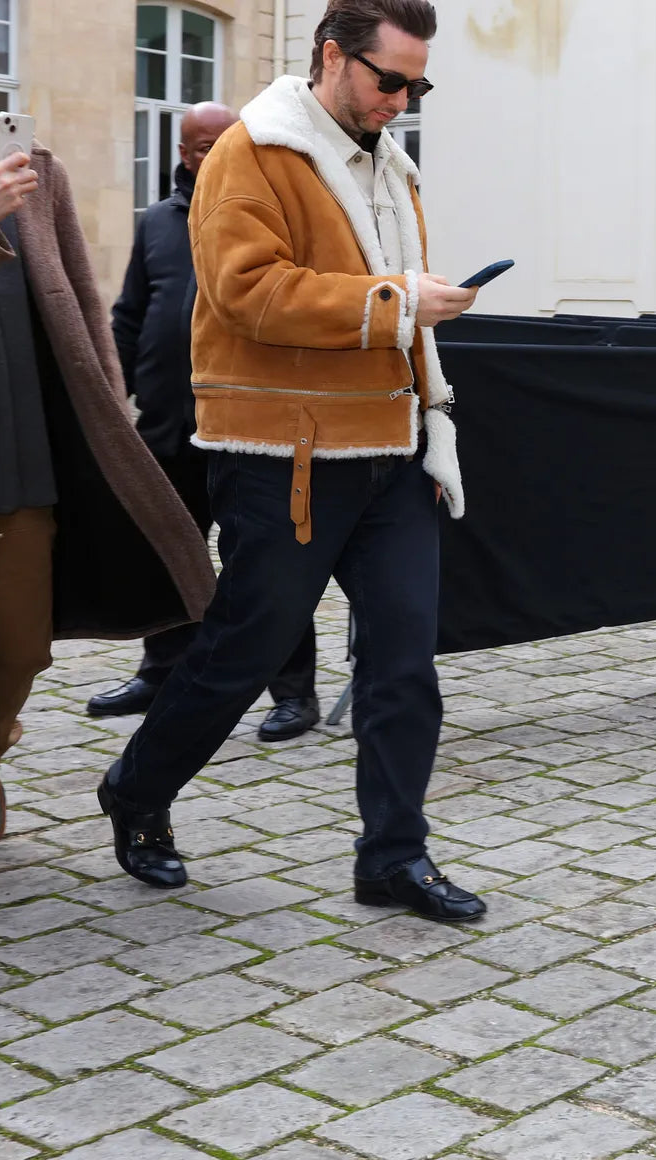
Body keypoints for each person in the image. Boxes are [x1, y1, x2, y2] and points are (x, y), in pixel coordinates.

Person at [97, 0, 489, 926]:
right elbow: (246, 292)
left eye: (417, 84)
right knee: (242, 652)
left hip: (392, 451)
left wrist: (429, 408)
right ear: (331, 56)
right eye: (389, 78)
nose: (402, 99)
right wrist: (398, 303)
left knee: (403, 666)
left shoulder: (391, 165)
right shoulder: (255, 150)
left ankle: (393, 856)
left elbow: (386, 315)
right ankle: (136, 788)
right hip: (289, 458)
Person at [0, 0, 213, 964]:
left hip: (22, 455)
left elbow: (79, 294)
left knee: (14, 650)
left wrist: (108, 409)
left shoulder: (24, 159)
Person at [87, 102, 322, 743]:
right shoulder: (159, 223)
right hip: (167, 427)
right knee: (165, 555)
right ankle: (162, 671)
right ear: (182, 150)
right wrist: (113, 402)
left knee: (267, 564)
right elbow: (130, 317)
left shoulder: (270, 216)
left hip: (248, 428)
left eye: (215, 144)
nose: (203, 155)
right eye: (193, 146)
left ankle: (293, 691)